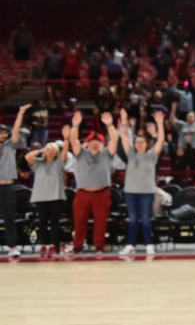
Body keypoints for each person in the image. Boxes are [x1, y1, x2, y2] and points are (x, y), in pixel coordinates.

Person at [69, 110, 119, 254]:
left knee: (100, 221)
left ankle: (99, 246)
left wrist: (109, 126)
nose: (95, 145)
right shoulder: (81, 154)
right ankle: (77, 245)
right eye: (92, 142)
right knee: (79, 222)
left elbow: (114, 140)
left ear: (102, 144)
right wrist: (75, 126)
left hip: (102, 192)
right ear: (88, 143)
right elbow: (73, 140)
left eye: (98, 142)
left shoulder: (106, 154)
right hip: (83, 192)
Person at [117, 109, 164, 256]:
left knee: (145, 219)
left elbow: (161, 140)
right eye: (137, 142)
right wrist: (124, 124)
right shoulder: (131, 154)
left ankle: (149, 244)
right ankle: (131, 245)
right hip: (130, 192)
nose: (139, 144)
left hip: (146, 192)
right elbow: (123, 139)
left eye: (142, 142)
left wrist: (159, 124)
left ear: (146, 143)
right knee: (132, 220)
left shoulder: (151, 156)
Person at [25, 131, 69, 258]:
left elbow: (65, 151)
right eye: (48, 149)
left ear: (56, 152)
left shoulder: (59, 163)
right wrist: (41, 150)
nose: (50, 151)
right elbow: (28, 157)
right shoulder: (38, 163)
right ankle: (43, 245)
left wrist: (66, 138)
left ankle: (53, 246)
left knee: (54, 222)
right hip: (41, 197)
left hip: (56, 197)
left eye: (53, 149)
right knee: (42, 222)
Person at [1, 105, 30, 257]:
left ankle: (12, 246)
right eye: (1, 133)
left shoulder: (10, 145)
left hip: (7, 186)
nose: (4, 135)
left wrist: (20, 113)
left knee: (10, 217)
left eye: (5, 133)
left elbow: (17, 129)